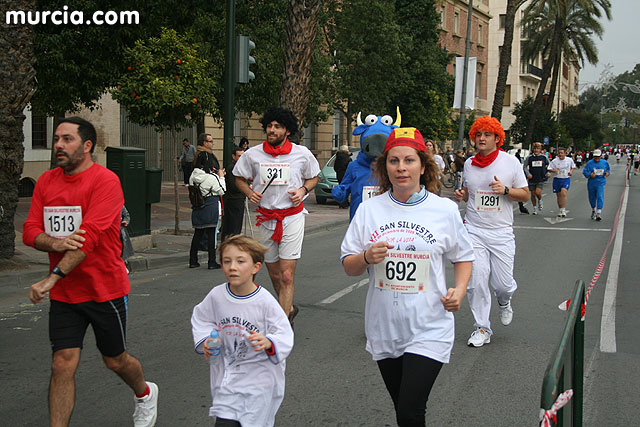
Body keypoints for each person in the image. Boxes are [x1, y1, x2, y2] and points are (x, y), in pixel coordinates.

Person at [22, 117, 158, 427]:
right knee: (62, 363)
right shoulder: (46, 181)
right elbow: (30, 231)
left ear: (87, 146)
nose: (58, 145)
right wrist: (55, 241)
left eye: (67, 139)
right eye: (56, 138)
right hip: (66, 295)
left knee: (115, 360)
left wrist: (52, 277)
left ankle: (144, 392)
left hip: (104, 289)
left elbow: (89, 238)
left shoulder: (106, 181)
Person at [340, 127, 474, 426]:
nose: (401, 168)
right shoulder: (369, 210)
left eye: (409, 160)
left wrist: (460, 290)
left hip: (430, 325)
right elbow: (349, 266)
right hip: (384, 326)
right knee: (403, 408)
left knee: (411, 410)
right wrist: (365, 257)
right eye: (394, 161)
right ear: (384, 166)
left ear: (423, 166)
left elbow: (463, 256)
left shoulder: (444, 210)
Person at [191, 235, 294, 427]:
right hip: (228, 378)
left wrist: (269, 342)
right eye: (226, 261)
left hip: (259, 381)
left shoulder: (265, 301)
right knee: (225, 422)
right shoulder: (217, 296)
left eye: (240, 261)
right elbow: (202, 318)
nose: (232, 267)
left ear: (256, 267)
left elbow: (284, 333)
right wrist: (206, 340)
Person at [233, 106, 320, 326]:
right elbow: (239, 179)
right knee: (273, 274)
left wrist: (302, 191)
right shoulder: (253, 154)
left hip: (292, 217)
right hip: (265, 218)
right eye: (269, 126)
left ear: (287, 131)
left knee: (287, 275)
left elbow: (313, 178)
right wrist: (250, 193)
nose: (272, 130)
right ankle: (288, 308)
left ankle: (282, 325)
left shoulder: (301, 154)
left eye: (277, 126)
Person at [453, 116, 529, 348]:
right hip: (474, 230)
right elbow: (470, 192)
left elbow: (525, 194)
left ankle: (504, 301)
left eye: (487, 134)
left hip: (502, 232)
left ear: (497, 138)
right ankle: (482, 327)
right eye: (478, 134)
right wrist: (463, 196)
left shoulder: (510, 163)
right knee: (476, 280)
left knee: (503, 284)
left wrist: (505, 190)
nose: (482, 138)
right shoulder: (469, 164)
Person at [190, 133, 226, 269]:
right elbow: (221, 189)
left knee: (198, 232)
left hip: (197, 205)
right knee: (211, 233)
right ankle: (212, 261)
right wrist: (221, 176)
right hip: (210, 203)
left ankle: (192, 260)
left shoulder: (193, 176)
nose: (212, 143)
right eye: (210, 141)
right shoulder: (211, 177)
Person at [221, 145, 246, 241]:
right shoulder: (232, 168)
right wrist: (245, 187)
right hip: (233, 200)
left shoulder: (240, 167)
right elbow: (234, 185)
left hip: (237, 200)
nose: (241, 158)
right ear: (233, 156)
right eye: (239, 156)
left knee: (235, 226)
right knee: (232, 227)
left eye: (243, 156)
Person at [548, 147, 576, 218]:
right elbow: (549, 168)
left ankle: (563, 210)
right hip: (557, 179)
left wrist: (571, 171)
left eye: (561, 153)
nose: (560, 154)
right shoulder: (554, 161)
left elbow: (573, 167)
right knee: (558, 195)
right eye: (559, 153)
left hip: (565, 179)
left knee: (563, 193)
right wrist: (554, 171)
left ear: (565, 154)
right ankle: (560, 209)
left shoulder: (569, 160)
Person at [582, 149, 610, 221]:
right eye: (595, 157)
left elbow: (608, 169)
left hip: (600, 181)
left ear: (601, 156)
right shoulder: (590, 163)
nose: (597, 158)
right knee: (592, 197)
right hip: (592, 182)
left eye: (598, 157)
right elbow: (585, 171)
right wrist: (590, 174)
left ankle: (599, 212)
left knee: (600, 195)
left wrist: (607, 173)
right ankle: (593, 209)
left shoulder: (604, 162)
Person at [523, 142, 550, 215]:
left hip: (540, 177)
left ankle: (540, 200)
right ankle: (535, 208)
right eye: (535, 148)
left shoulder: (544, 157)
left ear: (540, 150)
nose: (536, 150)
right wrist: (528, 174)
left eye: (538, 149)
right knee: (533, 194)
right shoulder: (530, 158)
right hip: (532, 178)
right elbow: (525, 166)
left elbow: (550, 165)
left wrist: (548, 172)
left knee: (538, 192)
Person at [333, 145, 352, 209]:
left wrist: (338, 171)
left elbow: (335, 167)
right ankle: (345, 203)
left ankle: (341, 202)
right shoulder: (348, 158)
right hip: (345, 174)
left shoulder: (337, 157)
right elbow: (349, 168)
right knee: (346, 188)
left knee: (341, 187)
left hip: (339, 174)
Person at [120, 205, 135, 271]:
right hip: (109, 231)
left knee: (121, 248)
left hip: (119, 231)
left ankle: (122, 264)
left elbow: (126, 215)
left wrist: (125, 221)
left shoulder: (120, 205)